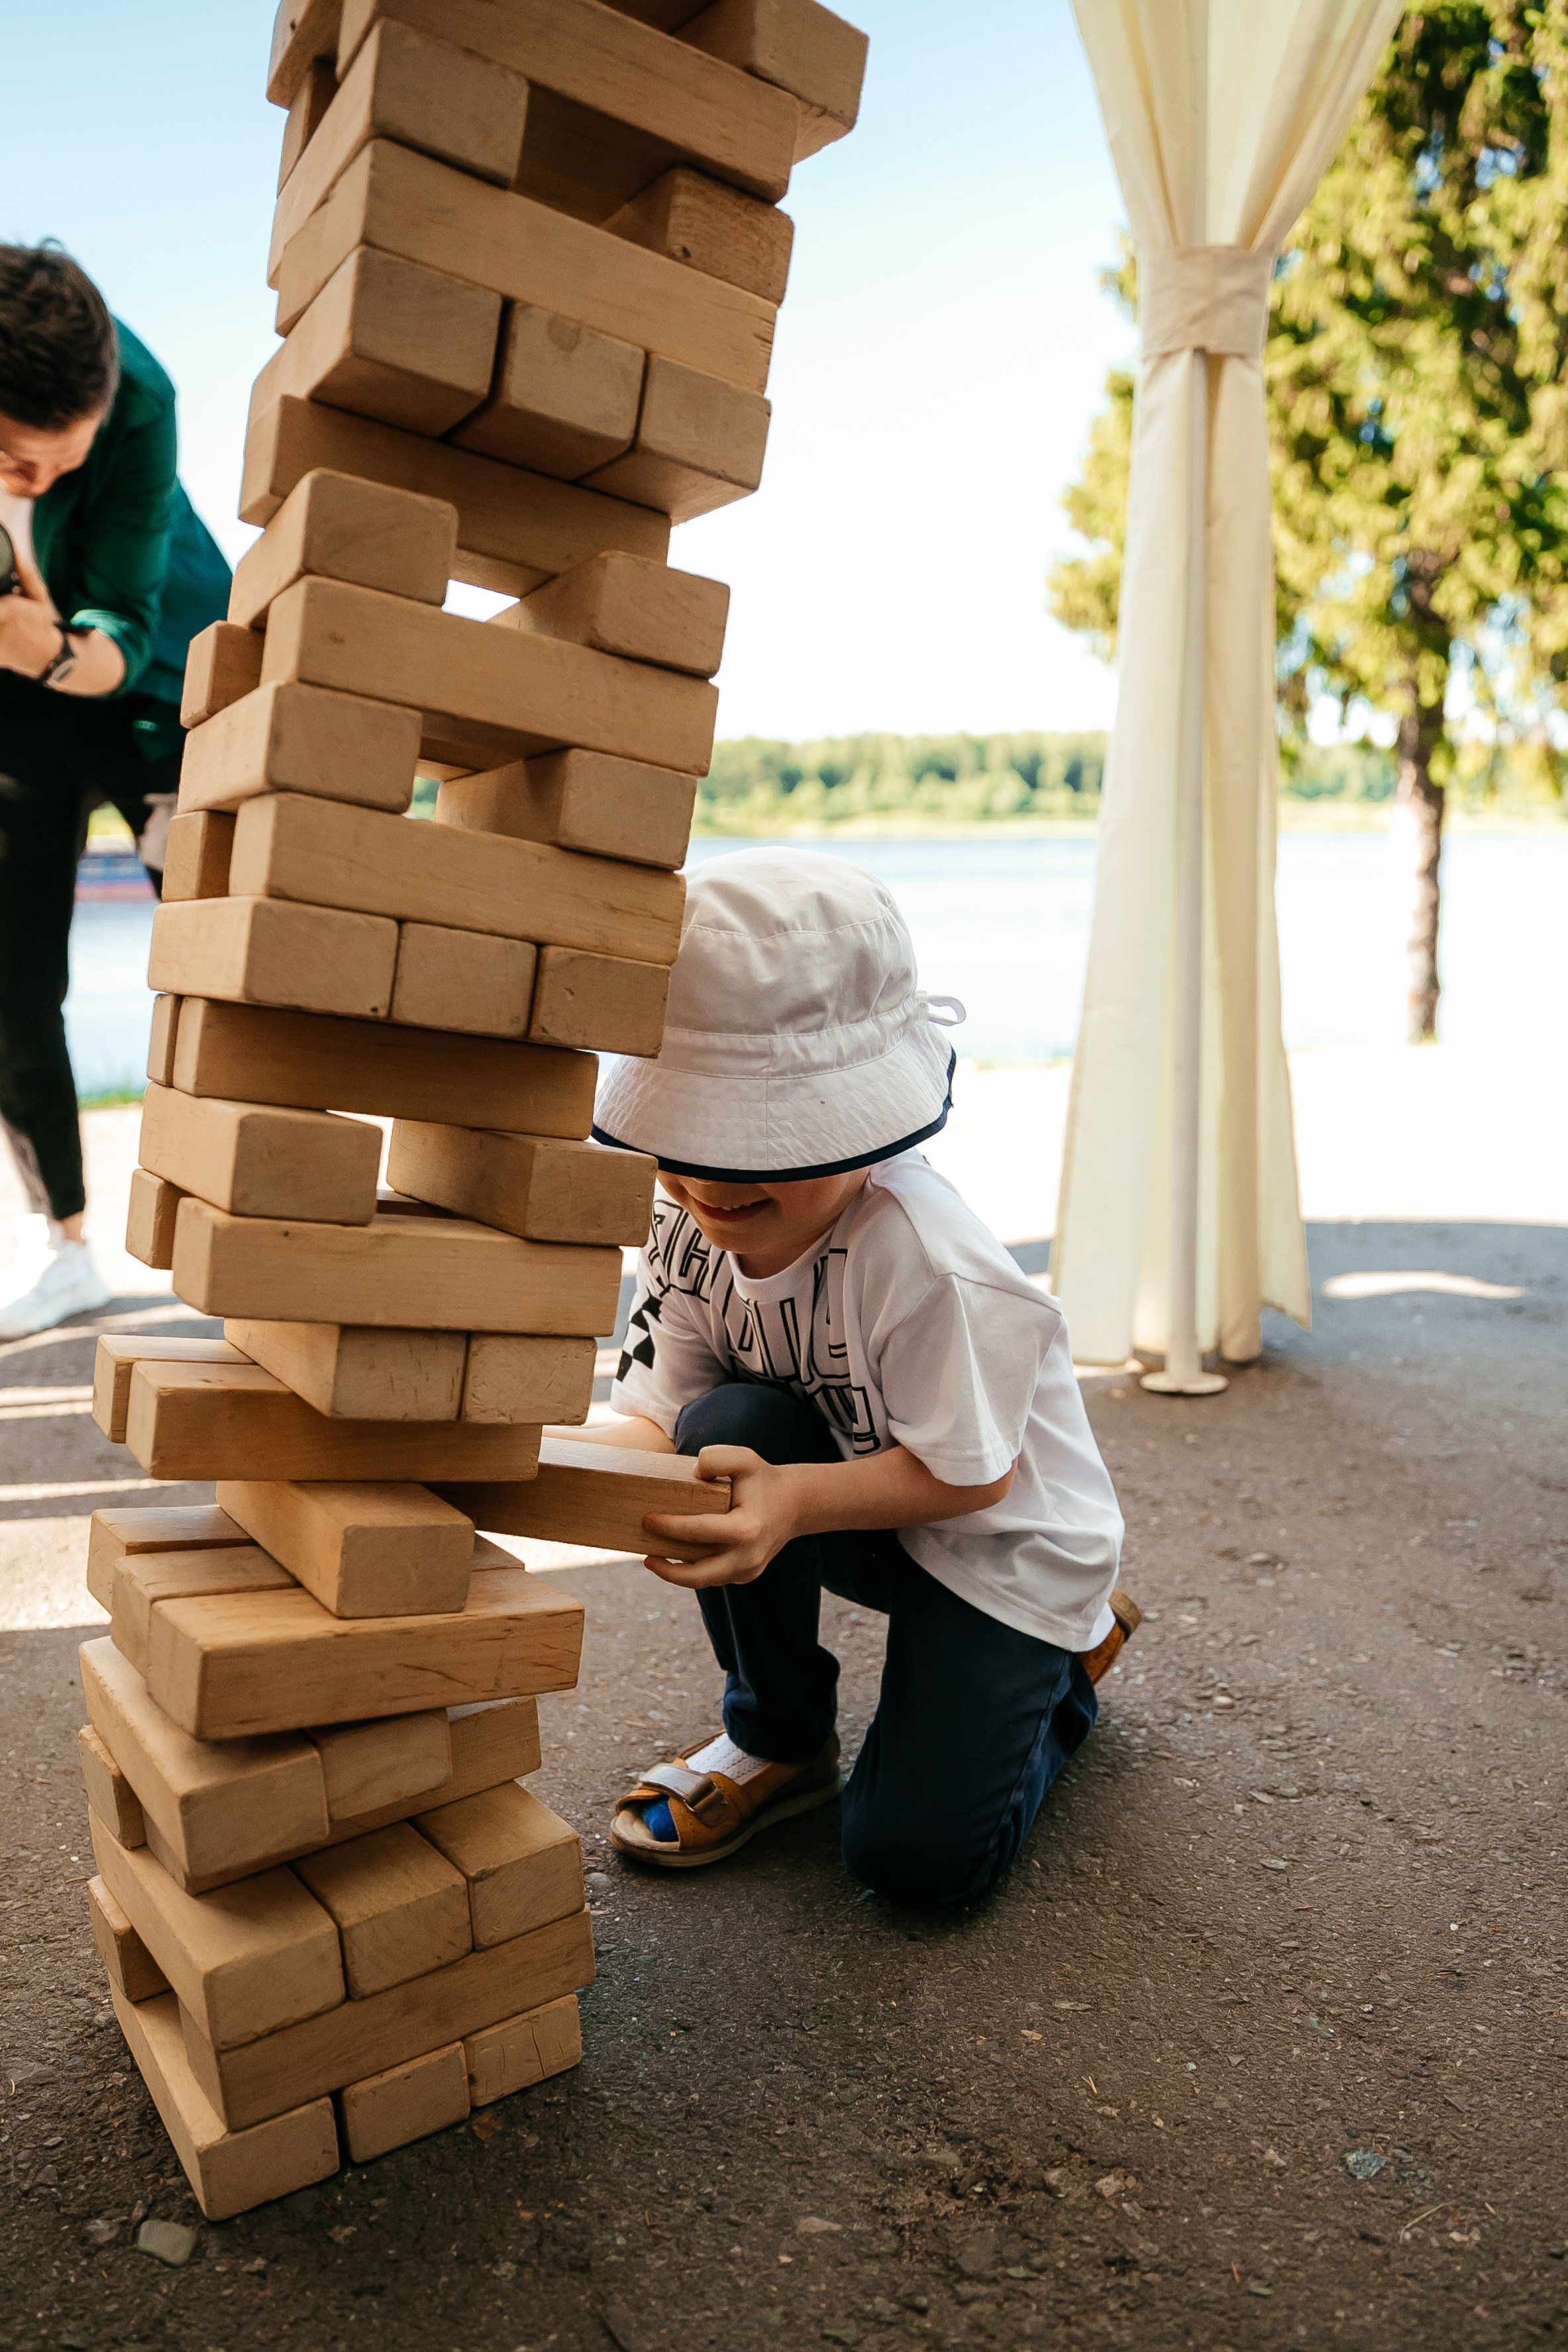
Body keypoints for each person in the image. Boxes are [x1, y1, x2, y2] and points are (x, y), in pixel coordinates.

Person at [586, 849, 1133, 1907]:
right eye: (683, 1133)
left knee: (911, 1863)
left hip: (1004, 1535)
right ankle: (778, 1739)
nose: (706, 1179)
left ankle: (1067, 1665)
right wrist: (496, 1470)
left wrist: (793, 1500)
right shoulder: (685, 1220)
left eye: (756, 1138)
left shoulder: (926, 1256)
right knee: (722, 1425)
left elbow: (975, 1477)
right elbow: (659, 1424)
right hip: (859, 1508)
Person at [0, 241, 231, 1340]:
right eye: (10, 459)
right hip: (13, 701)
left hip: (152, 671)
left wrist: (35, 640)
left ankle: (269, 1227)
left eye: (55, 462)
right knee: (8, 977)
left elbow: (117, 634)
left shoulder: (138, 399)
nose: (32, 483)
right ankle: (69, 1246)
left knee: (229, 947)